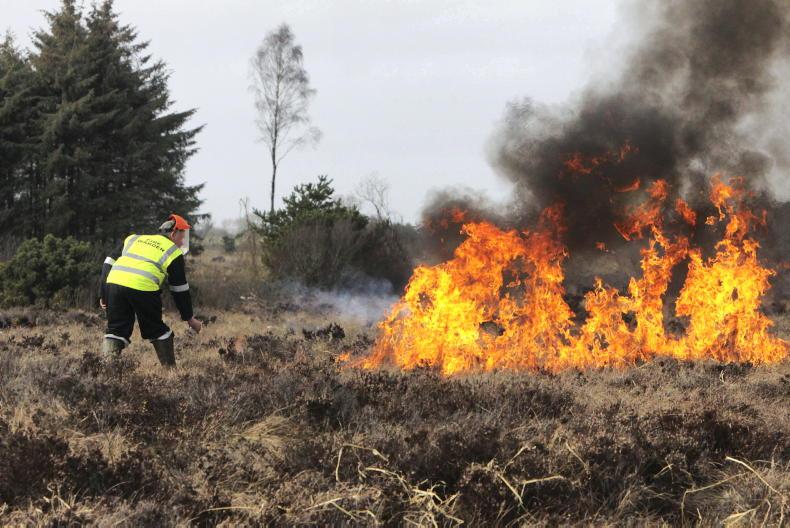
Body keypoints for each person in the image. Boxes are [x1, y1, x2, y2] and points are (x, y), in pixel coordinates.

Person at [99, 214, 202, 366]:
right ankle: (170, 370)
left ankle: (106, 370)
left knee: (116, 330)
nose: (182, 242)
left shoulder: (134, 239)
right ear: (173, 234)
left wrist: (104, 294)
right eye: (182, 237)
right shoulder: (173, 252)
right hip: (143, 287)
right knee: (157, 330)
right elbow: (179, 289)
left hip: (114, 284)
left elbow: (108, 263)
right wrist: (189, 318)